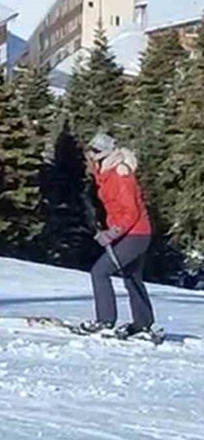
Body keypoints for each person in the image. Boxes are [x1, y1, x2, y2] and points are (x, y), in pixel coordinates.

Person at [79, 132, 157, 338]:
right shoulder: (106, 175)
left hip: (135, 234)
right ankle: (143, 324)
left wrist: (112, 233)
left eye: (92, 153)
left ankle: (105, 320)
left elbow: (130, 212)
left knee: (100, 272)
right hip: (133, 233)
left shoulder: (119, 176)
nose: (88, 158)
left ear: (102, 155)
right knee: (131, 276)